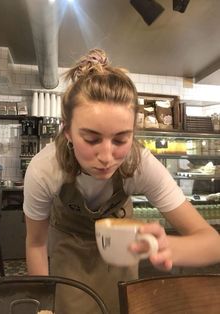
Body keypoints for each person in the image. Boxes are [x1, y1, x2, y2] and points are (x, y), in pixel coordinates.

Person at [23, 48, 220, 314]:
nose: (106, 157)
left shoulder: (140, 164)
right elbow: (36, 243)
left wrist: (168, 247)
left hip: (121, 252)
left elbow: (212, 243)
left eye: (120, 140)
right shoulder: (45, 169)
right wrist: (43, 304)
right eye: (91, 139)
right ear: (67, 130)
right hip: (68, 252)